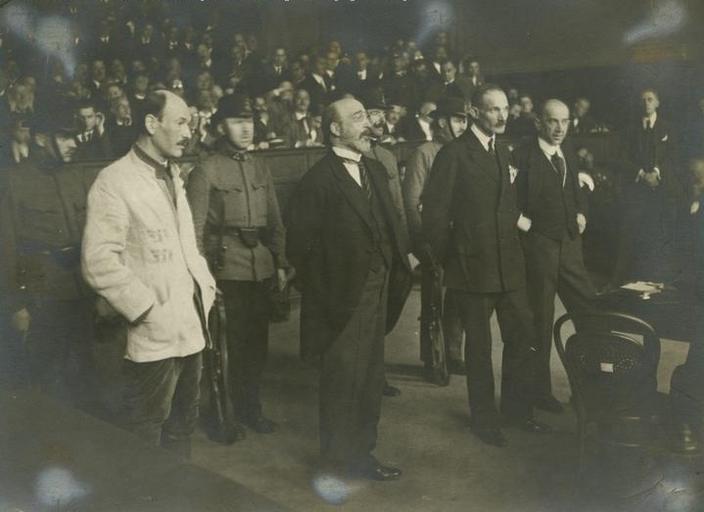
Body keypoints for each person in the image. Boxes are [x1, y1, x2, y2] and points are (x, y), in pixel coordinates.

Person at [81, 90, 216, 457]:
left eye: (191, 124)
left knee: (183, 425)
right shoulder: (114, 180)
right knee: (145, 431)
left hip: (190, 324)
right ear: (152, 123)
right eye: (181, 122)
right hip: (152, 333)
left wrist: (205, 286)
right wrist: (145, 309)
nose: (189, 132)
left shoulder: (173, 174)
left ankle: (179, 487)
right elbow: (98, 260)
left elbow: (187, 246)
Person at [286, 97, 411, 480]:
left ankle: (362, 455)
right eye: (357, 118)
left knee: (370, 377)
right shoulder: (318, 180)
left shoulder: (375, 169)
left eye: (366, 116)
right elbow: (299, 249)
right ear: (335, 129)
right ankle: (336, 464)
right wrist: (330, 294)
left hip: (379, 289)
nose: (367, 123)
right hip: (340, 299)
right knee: (343, 381)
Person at [422, 84, 551, 447]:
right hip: (472, 268)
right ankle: (484, 420)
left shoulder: (501, 150)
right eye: (494, 109)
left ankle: (516, 411)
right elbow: (433, 216)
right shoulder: (453, 154)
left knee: (522, 335)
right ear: (475, 113)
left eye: (505, 109)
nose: (502, 115)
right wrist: (453, 256)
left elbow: (506, 206)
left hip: (508, 266)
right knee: (479, 349)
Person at [187, 94, 288, 435]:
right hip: (225, 268)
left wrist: (280, 261)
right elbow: (195, 230)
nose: (246, 128)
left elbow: (275, 221)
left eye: (249, 121)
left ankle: (250, 408)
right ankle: (223, 413)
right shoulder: (206, 169)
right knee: (227, 348)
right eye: (237, 121)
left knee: (257, 346)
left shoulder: (260, 167)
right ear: (220, 127)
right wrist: (203, 277)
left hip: (260, 267)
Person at [0, 109, 98, 409]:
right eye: (65, 137)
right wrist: (15, 305)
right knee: (45, 385)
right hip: (41, 296)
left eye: (75, 136)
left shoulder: (75, 176)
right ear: (41, 138)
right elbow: (6, 248)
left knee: (86, 379)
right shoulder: (13, 180)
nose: (73, 143)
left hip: (81, 289)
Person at [513, 99, 596, 413]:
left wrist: (581, 213)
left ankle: (591, 388)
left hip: (570, 247)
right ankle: (539, 392)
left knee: (589, 314)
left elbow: (575, 189)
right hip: (539, 249)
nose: (560, 128)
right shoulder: (522, 155)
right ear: (539, 122)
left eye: (565, 121)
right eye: (552, 121)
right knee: (540, 321)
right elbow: (508, 200)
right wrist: (526, 227)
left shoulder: (567, 150)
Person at [403, 96, 468, 382]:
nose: (462, 126)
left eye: (465, 120)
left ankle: (454, 354)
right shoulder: (425, 153)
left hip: (460, 239)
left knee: (459, 298)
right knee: (434, 301)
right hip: (434, 239)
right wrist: (423, 241)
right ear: (441, 122)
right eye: (457, 120)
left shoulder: (464, 151)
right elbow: (410, 201)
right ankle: (434, 359)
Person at [612, 88, 682, 284]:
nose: (646, 103)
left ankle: (660, 279)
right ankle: (625, 280)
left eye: (650, 99)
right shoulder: (630, 129)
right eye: (643, 100)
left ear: (657, 103)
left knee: (660, 233)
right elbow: (622, 158)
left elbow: (674, 158)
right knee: (632, 233)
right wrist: (642, 175)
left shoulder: (668, 128)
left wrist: (657, 173)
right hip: (637, 189)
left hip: (662, 188)